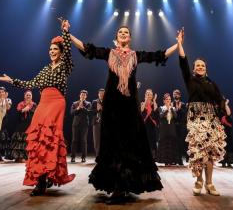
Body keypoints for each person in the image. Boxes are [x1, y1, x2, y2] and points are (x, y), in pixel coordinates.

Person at [70, 25, 180, 201]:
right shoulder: (109, 53)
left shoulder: (136, 55)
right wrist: (69, 34)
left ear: (129, 38)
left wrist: (178, 44)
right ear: (117, 37)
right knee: (113, 142)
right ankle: (117, 185)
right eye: (120, 32)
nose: (123, 34)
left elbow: (158, 56)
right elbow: (87, 48)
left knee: (130, 141)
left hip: (129, 103)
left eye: (126, 32)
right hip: (113, 103)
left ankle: (126, 183)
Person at [0, 19, 75, 196]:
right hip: (43, 103)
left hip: (57, 102)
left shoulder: (65, 65)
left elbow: (68, 49)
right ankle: (41, 180)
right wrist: (12, 81)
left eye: (55, 49)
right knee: (38, 139)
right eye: (50, 50)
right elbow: (30, 83)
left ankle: (48, 175)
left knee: (50, 137)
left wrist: (65, 32)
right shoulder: (45, 70)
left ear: (61, 52)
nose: (52, 52)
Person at [177, 29, 226, 196]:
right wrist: (179, 44)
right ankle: (199, 181)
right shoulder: (190, 80)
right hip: (196, 119)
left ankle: (210, 183)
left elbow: (220, 99)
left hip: (212, 120)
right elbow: (183, 62)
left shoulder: (212, 83)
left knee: (211, 152)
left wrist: (221, 110)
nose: (200, 67)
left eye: (202, 65)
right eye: (197, 65)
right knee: (199, 151)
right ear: (193, 69)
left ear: (206, 68)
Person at [7, 90, 37, 162]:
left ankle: (27, 157)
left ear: (32, 96)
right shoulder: (21, 104)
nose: (28, 96)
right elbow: (17, 114)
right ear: (24, 96)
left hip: (30, 124)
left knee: (28, 140)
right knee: (20, 140)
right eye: (27, 95)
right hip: (21, 124)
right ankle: (19, 157)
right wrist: (23, 110)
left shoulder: (34, 104)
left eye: (30, 95)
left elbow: (36, 115)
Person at [156, 93, 182, 166]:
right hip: (164, 129)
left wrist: (171, 108)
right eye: (167, 99)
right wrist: (167, 109)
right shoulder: (161, 107)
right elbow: (161, 116)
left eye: (169, 99)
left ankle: (172, 160)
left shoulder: (173, 108)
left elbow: (176, 116)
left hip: (171, 128)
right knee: (164, 143)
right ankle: (165, 160)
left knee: (172, 143)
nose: (168, 101)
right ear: (164, 101)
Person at [70, 90, 91, 163]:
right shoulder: (75, 103)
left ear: (86, 96)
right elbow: (72, 112)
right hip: (75, 124)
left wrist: (83, 108)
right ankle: (73, 157)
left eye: (84, 95)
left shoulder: (88, 103)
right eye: (82, 95)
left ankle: (84, 157)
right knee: (74, 140)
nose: (83, 96)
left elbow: (89, 112)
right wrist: (78, 108)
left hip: (84, 124)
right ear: (79, 95)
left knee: (84, 141)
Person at [218, 99, 233, 167]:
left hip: (227, 130)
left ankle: (229, 161)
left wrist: (226, 104)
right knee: (222, 145)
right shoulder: (218, 108)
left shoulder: (226, 107)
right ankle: (223, 161)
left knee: (229, 144)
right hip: (221, 129)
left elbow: (229, 114)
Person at [140, 89, 159, 159]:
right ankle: (145, 156)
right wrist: (145, 100)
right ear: (145, 95)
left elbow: (156, 110)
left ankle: (154, 156)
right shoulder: (142, 103)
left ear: (152, 95)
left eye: (150, 94)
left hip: (152, 124)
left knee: (153, 140)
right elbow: (141, 110)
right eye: (148, 94)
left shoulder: (153, 103)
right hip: (145, 124)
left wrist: (154, 101)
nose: (149, 95)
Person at [172, 89, 188, 164]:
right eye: (174, 94)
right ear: (173, 95)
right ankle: (174, 159)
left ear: (180, 95)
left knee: (181, 142)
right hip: (174, 125)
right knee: (174, 142)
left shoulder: (183, 104)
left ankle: (180, 159)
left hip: (181, 126)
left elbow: (185, 115)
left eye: (177, 94)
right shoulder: (171, 104)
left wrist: (180, 108)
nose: (176, 95)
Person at [91, 88, 105, 157]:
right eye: (100, 94)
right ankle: (98, 156)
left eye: (103, 94)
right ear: (98, 94)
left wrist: (102, 108)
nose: (101, 95)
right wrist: (97, 109)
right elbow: (91, 112)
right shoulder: (94, 102)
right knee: (96, 141)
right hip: (96, 123)